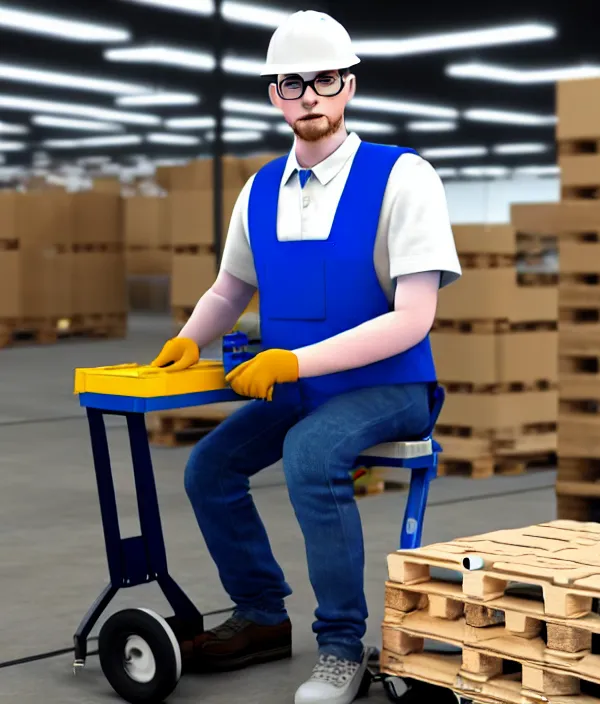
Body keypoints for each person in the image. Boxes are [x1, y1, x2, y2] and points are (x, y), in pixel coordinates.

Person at [150, 9, 461, 704]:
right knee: (209, 468)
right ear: (273, 95)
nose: (309, 96)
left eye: (324, 80)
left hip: (390, 384)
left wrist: (291, 362)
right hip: (305, 388)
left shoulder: (402, 178)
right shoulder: (260, 189)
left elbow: (414, 319)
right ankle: (261, 615)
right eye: (292, 83)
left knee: (312, 455)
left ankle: (341, 646)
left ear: (348, 84)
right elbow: (231, 287)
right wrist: (188, 339)